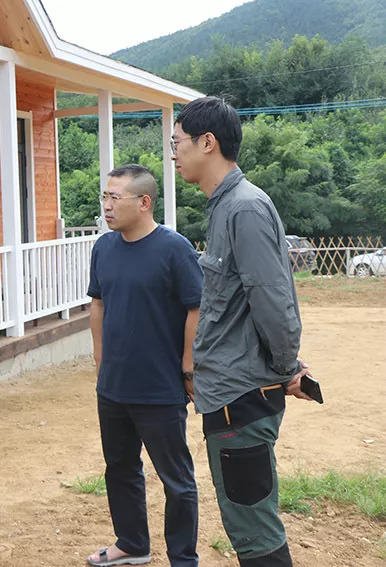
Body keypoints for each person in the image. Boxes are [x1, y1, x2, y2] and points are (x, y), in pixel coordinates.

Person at [171, 96, 316, 567]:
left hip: (243, 397)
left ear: (207, 143)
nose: (173, 153)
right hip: (229, 393)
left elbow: (273, 303)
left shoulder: (244, 209)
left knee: (254, 528)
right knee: (246, 519)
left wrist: (286, 368)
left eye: (177, 143)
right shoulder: (225, 206)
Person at [85, 165, 203, 567]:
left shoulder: (175, 249)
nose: (107, 206)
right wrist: (101, 360)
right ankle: (132, 543)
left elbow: (196, 308)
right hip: (114, 386)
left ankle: (183, 559)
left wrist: (188, 367)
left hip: (159, 387)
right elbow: (97, 304)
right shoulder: (103, 247)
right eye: (105, 197)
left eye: (115, 198)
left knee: (177, 480)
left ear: (144, 202)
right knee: (119, 468)